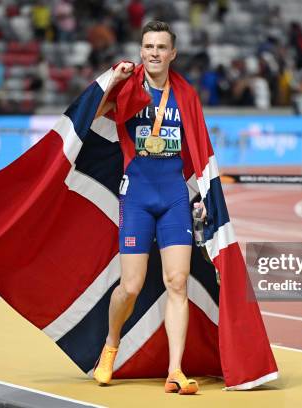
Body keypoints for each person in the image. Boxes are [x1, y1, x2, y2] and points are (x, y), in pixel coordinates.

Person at [92, 21, 204, 395]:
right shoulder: (128, 87)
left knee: (177, 282)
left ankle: (175, 370)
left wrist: (203, 195)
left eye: (161, 47)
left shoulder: (186, 95)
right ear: (141, 51)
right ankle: (110, 346)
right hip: (137, 195)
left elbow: (200, 150)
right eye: (148, 46)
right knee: (131, 285)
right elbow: (90, 115)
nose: (153, 52)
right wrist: (113, 80)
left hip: (173, 196)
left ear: (173, 54)